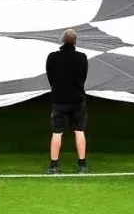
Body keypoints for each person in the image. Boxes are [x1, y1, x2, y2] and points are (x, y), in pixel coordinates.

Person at [46, 29, 89, 175]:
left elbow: (50, 77)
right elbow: (83, 77)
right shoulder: (82, 57)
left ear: (62, 40)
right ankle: (82, 165)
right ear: (75, 41)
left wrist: (57, 89)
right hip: (77, 99)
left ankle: (53, 166)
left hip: (59, 100)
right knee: (79, 131)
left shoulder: (52, 57)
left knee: (57, 132)